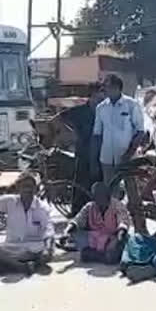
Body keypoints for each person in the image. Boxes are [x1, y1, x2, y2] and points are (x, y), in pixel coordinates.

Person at [0, 171, 54, 275]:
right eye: (24, 186)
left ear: (36, 189)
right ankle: (21, 266)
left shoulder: (42, 207)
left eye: (30, 187)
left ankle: (9, 264)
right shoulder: (10, 201)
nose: (27, 189)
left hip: (33, 248)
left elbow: (49, 231)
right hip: (12, 247)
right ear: (18, 188)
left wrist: (47, 250)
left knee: (47, 254)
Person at [91, 75, 146, 184]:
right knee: (110, 191)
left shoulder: (132, 105)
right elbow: (97, 135)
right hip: (106, 158)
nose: (104, 89)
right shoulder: (101, 108)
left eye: (106, 86)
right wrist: (94, 159)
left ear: (116, 87)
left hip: (127, 157)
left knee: (132, 190)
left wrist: (129, 154)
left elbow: (140, 132)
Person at [59, 83, 105, 213]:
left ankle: (98, 215)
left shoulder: (107, 113)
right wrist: (71, 138)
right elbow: (60, 120)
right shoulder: (78, 112)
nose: (100, 101)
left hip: (102, 156)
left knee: (99, 187)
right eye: (98, 98)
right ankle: (77, 214)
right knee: (81, 186)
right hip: (83, 155)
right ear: (91, 97)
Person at [66, 182, 133, 264]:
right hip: (95, 238)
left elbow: (123, 220)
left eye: (102, 196)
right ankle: (101, 256)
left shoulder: (117, 205)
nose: (100, 200)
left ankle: (96, 255)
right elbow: (79, 218)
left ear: (108, 195)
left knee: (119, 246)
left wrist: (119, 234)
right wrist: (70, 227)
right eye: (97, 197)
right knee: (77, 235)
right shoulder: (90, 206)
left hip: (114, 237)